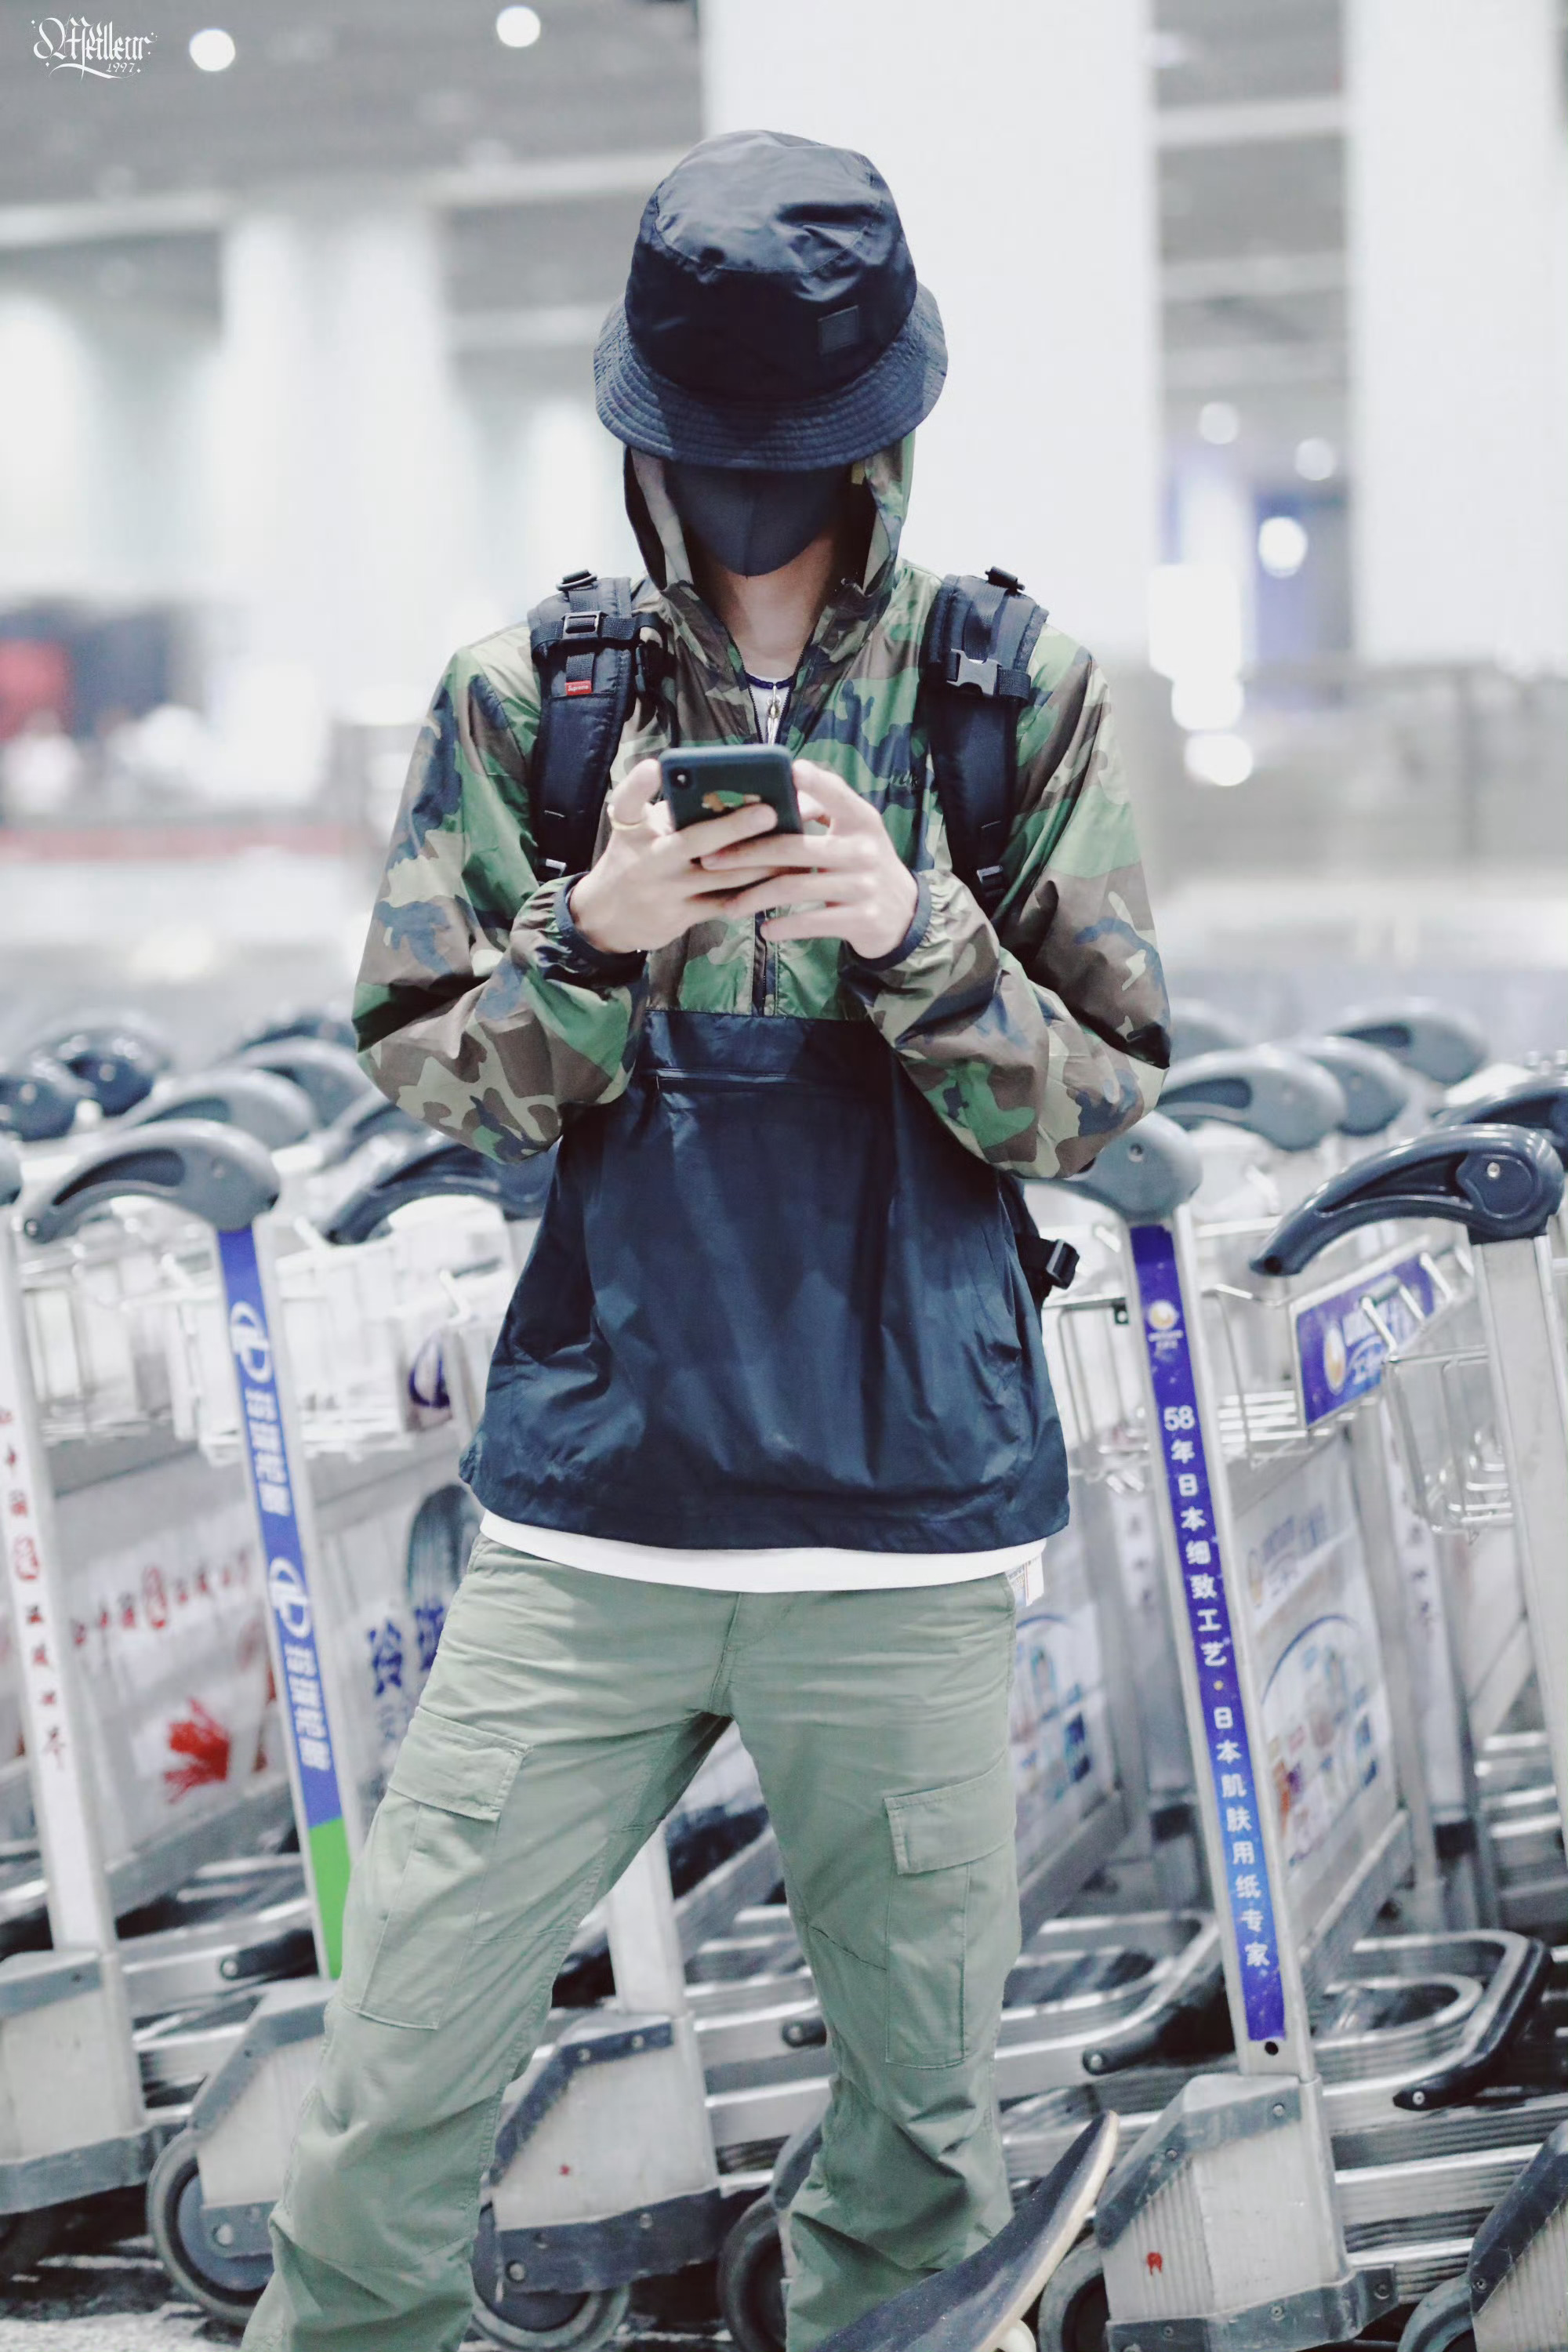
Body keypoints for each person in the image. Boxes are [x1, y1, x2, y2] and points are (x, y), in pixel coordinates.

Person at [243, 128, 1169, 2352]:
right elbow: (430, 1072)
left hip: (903, 1526)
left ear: (881, 431)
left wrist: (914, 932)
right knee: (391, 2087)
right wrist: (596, 933)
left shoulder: (1006, 696)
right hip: (592, 1522)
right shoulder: (531, 701)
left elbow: (1103, 1100)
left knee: (920, 2147)